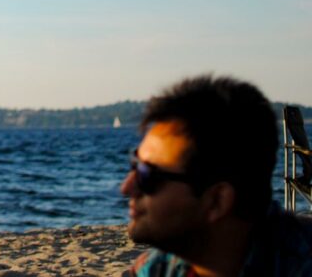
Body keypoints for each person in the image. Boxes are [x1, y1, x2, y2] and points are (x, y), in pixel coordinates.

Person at [121, 74, 312, 276]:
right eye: (135, 165)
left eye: (147, 174)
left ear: (217, 200)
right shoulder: (158, 268)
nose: (126, 187)